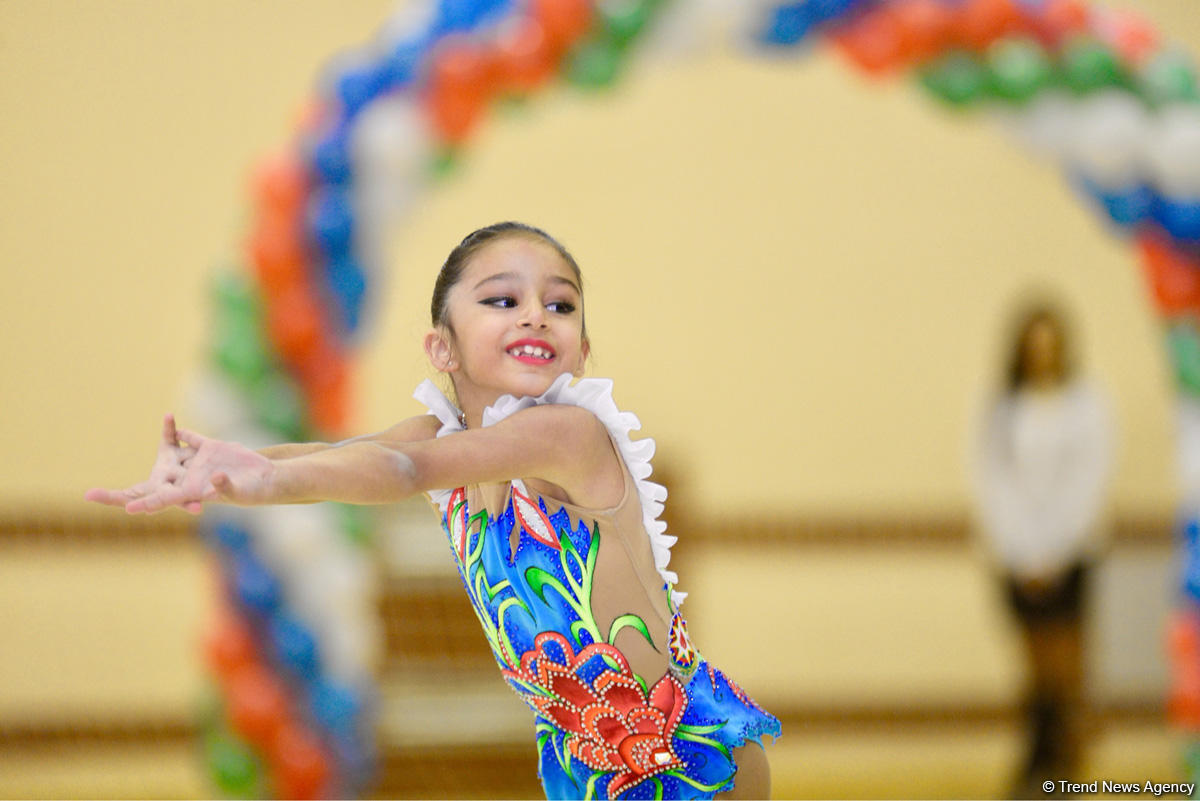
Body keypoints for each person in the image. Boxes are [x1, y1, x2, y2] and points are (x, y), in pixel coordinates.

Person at [86, 221, 781, 800]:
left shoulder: (563, 436)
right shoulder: (446, 439)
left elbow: (403, 469)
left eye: (561, 304)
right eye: (502, 300)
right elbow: (333, 456)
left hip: (688, 762)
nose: (537, 313)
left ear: (581, 350)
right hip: (590, 765)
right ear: (441, 347)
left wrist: (260, 480)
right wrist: (223, 468)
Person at [968, 298, 1114, 798]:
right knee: (1035, 674)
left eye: (1051, 346)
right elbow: (992, 483)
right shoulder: (1000, 409)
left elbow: (1088, 481)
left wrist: (1056, 548)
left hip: (1072, 556)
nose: (1042, 356)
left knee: (1067, 672)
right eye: (1034, 346)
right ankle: (1038, 768)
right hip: (1015, 559)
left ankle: (1070, 771)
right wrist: (1022, 551)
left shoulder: (1087, 403)